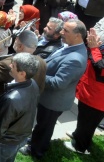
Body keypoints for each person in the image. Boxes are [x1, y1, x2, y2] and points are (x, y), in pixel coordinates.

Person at [22, 19, 88, 158]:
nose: (61, 32)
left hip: (53, 101)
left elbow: (58, 83)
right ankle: (35, 141)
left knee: (45, 127)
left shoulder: (75, 59)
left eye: (66, 31)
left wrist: (36, 74)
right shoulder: (70, 46)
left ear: (77, 35)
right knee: (42, 124)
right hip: (49, 97)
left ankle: (36, 151)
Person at [0, 53, 40, 162]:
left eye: (13, 66)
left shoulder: (12, 99)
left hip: (2, 144)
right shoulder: (32, 83)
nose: (9, 66)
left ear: (22, 73)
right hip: (17, 139)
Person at [66, 28, 104, 154]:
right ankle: (78, 135)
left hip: (97, 98)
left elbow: (101, 68)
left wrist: (94, 48)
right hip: (91, 91)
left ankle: (80, 147)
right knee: (84, 119)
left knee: (88, 122)